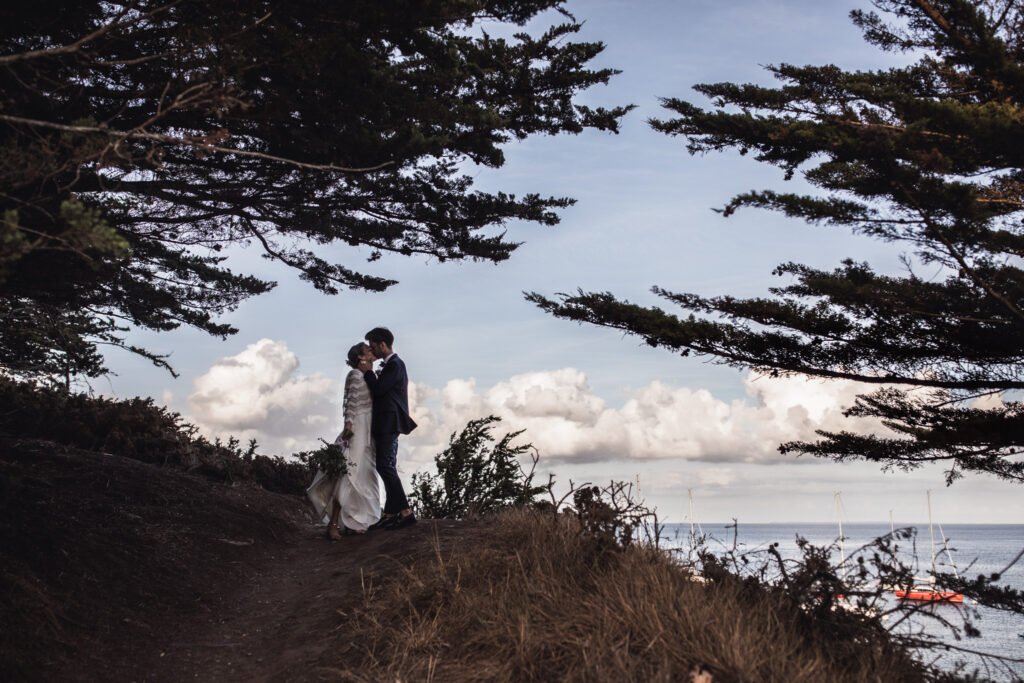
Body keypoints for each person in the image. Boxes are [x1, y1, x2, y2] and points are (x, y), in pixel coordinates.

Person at [306, 342, 382, 540]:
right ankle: (333, 524)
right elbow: (350, 403)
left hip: (369, 429)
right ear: (360, 356)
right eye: (368, 349)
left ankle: (355, 521)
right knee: (349, 473)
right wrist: (348, 428)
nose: (372, 351)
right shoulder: (355, 375)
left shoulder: (368, 375)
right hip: (358, 428)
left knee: (365, 475)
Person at [363, 326, 418, 530]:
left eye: (373, 346)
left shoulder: (395, 365)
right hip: (386, 421)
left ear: (383, 344)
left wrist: (368, 372)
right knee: (386, 465)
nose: (371, 350)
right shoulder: (393, 365)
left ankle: (405, 512)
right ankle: (390, 513)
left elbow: (378, 390)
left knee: (385, 466)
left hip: (389, 421)